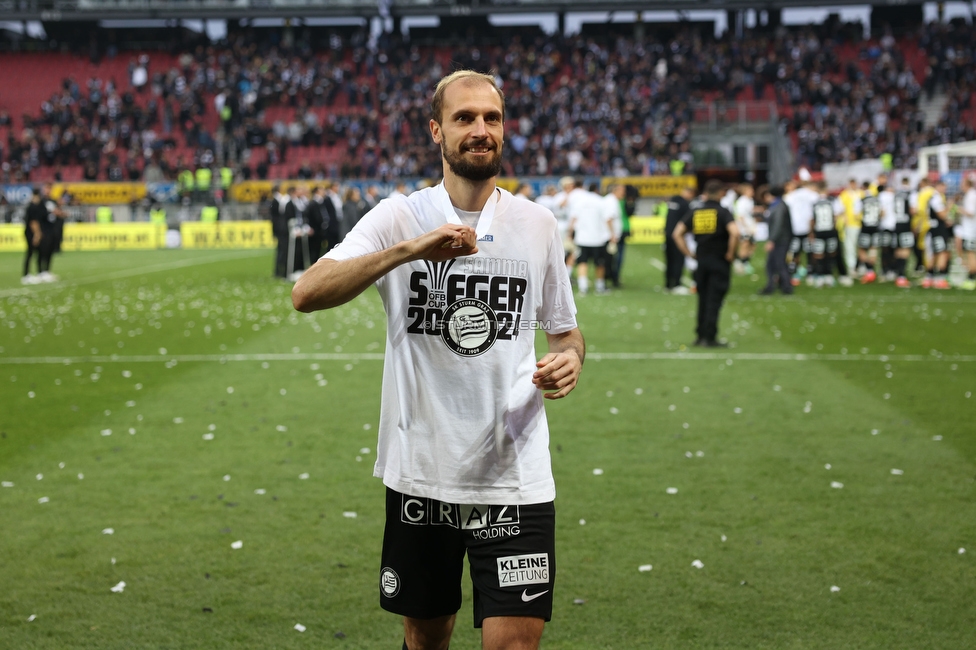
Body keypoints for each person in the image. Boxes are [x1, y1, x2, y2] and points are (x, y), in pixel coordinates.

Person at [292, 70, 583, 650]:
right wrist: (413, 250)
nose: (481, 130)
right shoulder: (398, 217)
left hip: (515, 476)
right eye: (464, 118)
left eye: (492, 118)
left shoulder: (537, 224)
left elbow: (566, 334)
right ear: (436, 131)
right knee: (426, 639)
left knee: (515, 645)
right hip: (423, 472)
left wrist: (569, 360)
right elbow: (307, 292)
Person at [672, 179, 740, 346]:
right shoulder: (722, 212)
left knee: (702, 299)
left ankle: (700, 335)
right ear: (720, 193)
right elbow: (735, 233)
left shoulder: (696, 211)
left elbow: (677, 233)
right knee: (714, 299)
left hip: (701, 261)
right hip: (719, 260)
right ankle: (710, 337)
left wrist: (689, 254)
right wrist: (731, 253)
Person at [568, 180, 614, 295]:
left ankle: (583, 287)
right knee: (600, 263)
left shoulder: (580, 202)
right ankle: (600, 286)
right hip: (598, 238)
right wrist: (612, 234)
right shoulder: (600, 201)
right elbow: (607, 219)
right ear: (597, 190)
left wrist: (570, 233)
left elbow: (573, 218)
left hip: (582, 238)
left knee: (582, 262)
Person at [759, 185, 793, 295]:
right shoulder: (780, 205)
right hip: (783, 238)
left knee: (777, 263)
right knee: (777, 263)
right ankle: (781, 285)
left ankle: (783, 286)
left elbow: (778, 224)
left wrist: (772, 240)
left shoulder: (778, 206)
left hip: (780, 240)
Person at [664, 186, 696, 294]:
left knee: (669, 260)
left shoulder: (673, 200)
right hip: (677, 235)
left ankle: (668, 284)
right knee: (678, 259)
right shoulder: (685, 204)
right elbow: (687, 221)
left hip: (667, 234)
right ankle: (677, 284)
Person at [22, 188, 57, 284]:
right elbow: (33, 222)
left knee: (39, 252)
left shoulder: (37, 206)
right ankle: (26, 274)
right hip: (31, 233)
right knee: (30, 253)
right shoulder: (32, 207)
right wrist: (37, 234)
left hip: (35, 232)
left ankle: (39, 272)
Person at [270, 185, 290, 278]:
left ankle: (279, 271)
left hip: (278, 229)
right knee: (281, 251)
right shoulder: (276, 201)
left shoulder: (276, 200)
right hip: (279, 229)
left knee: (281, 251)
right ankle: (278, 271)